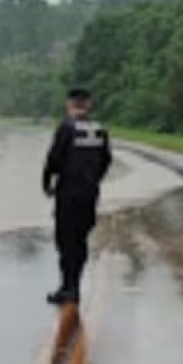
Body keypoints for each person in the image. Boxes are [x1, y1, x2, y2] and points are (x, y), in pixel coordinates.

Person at [41, 88, 112, 305]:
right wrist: (94, 180)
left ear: (70, 104)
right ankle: (75, 287)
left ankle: (67, 287)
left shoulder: (66, 128)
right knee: (80, 240)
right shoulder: (100, 130)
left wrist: (47, 184)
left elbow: (53, 160)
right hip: (89, 194)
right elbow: (106, 160)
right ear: (88, 105)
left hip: (68, 193)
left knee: (65, 240)